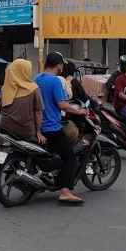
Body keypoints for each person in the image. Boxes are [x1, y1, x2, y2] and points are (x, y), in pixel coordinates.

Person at [0, 58, 44, 197]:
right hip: (25, 132)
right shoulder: (33, 88)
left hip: (4, 128)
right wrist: (38, 132)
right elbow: (38, 112)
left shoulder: (5, 88)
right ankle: (36, 178)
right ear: (25, 71)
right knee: (44, 150)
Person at [36, 52, 87, 205]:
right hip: (51, 127)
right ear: (58, 65)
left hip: (37, 126)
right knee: (70, 158)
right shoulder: (56, 81)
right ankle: (65, 191)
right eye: (61, 64)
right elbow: (62, 104)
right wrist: (79, 111)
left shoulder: (37, 78)